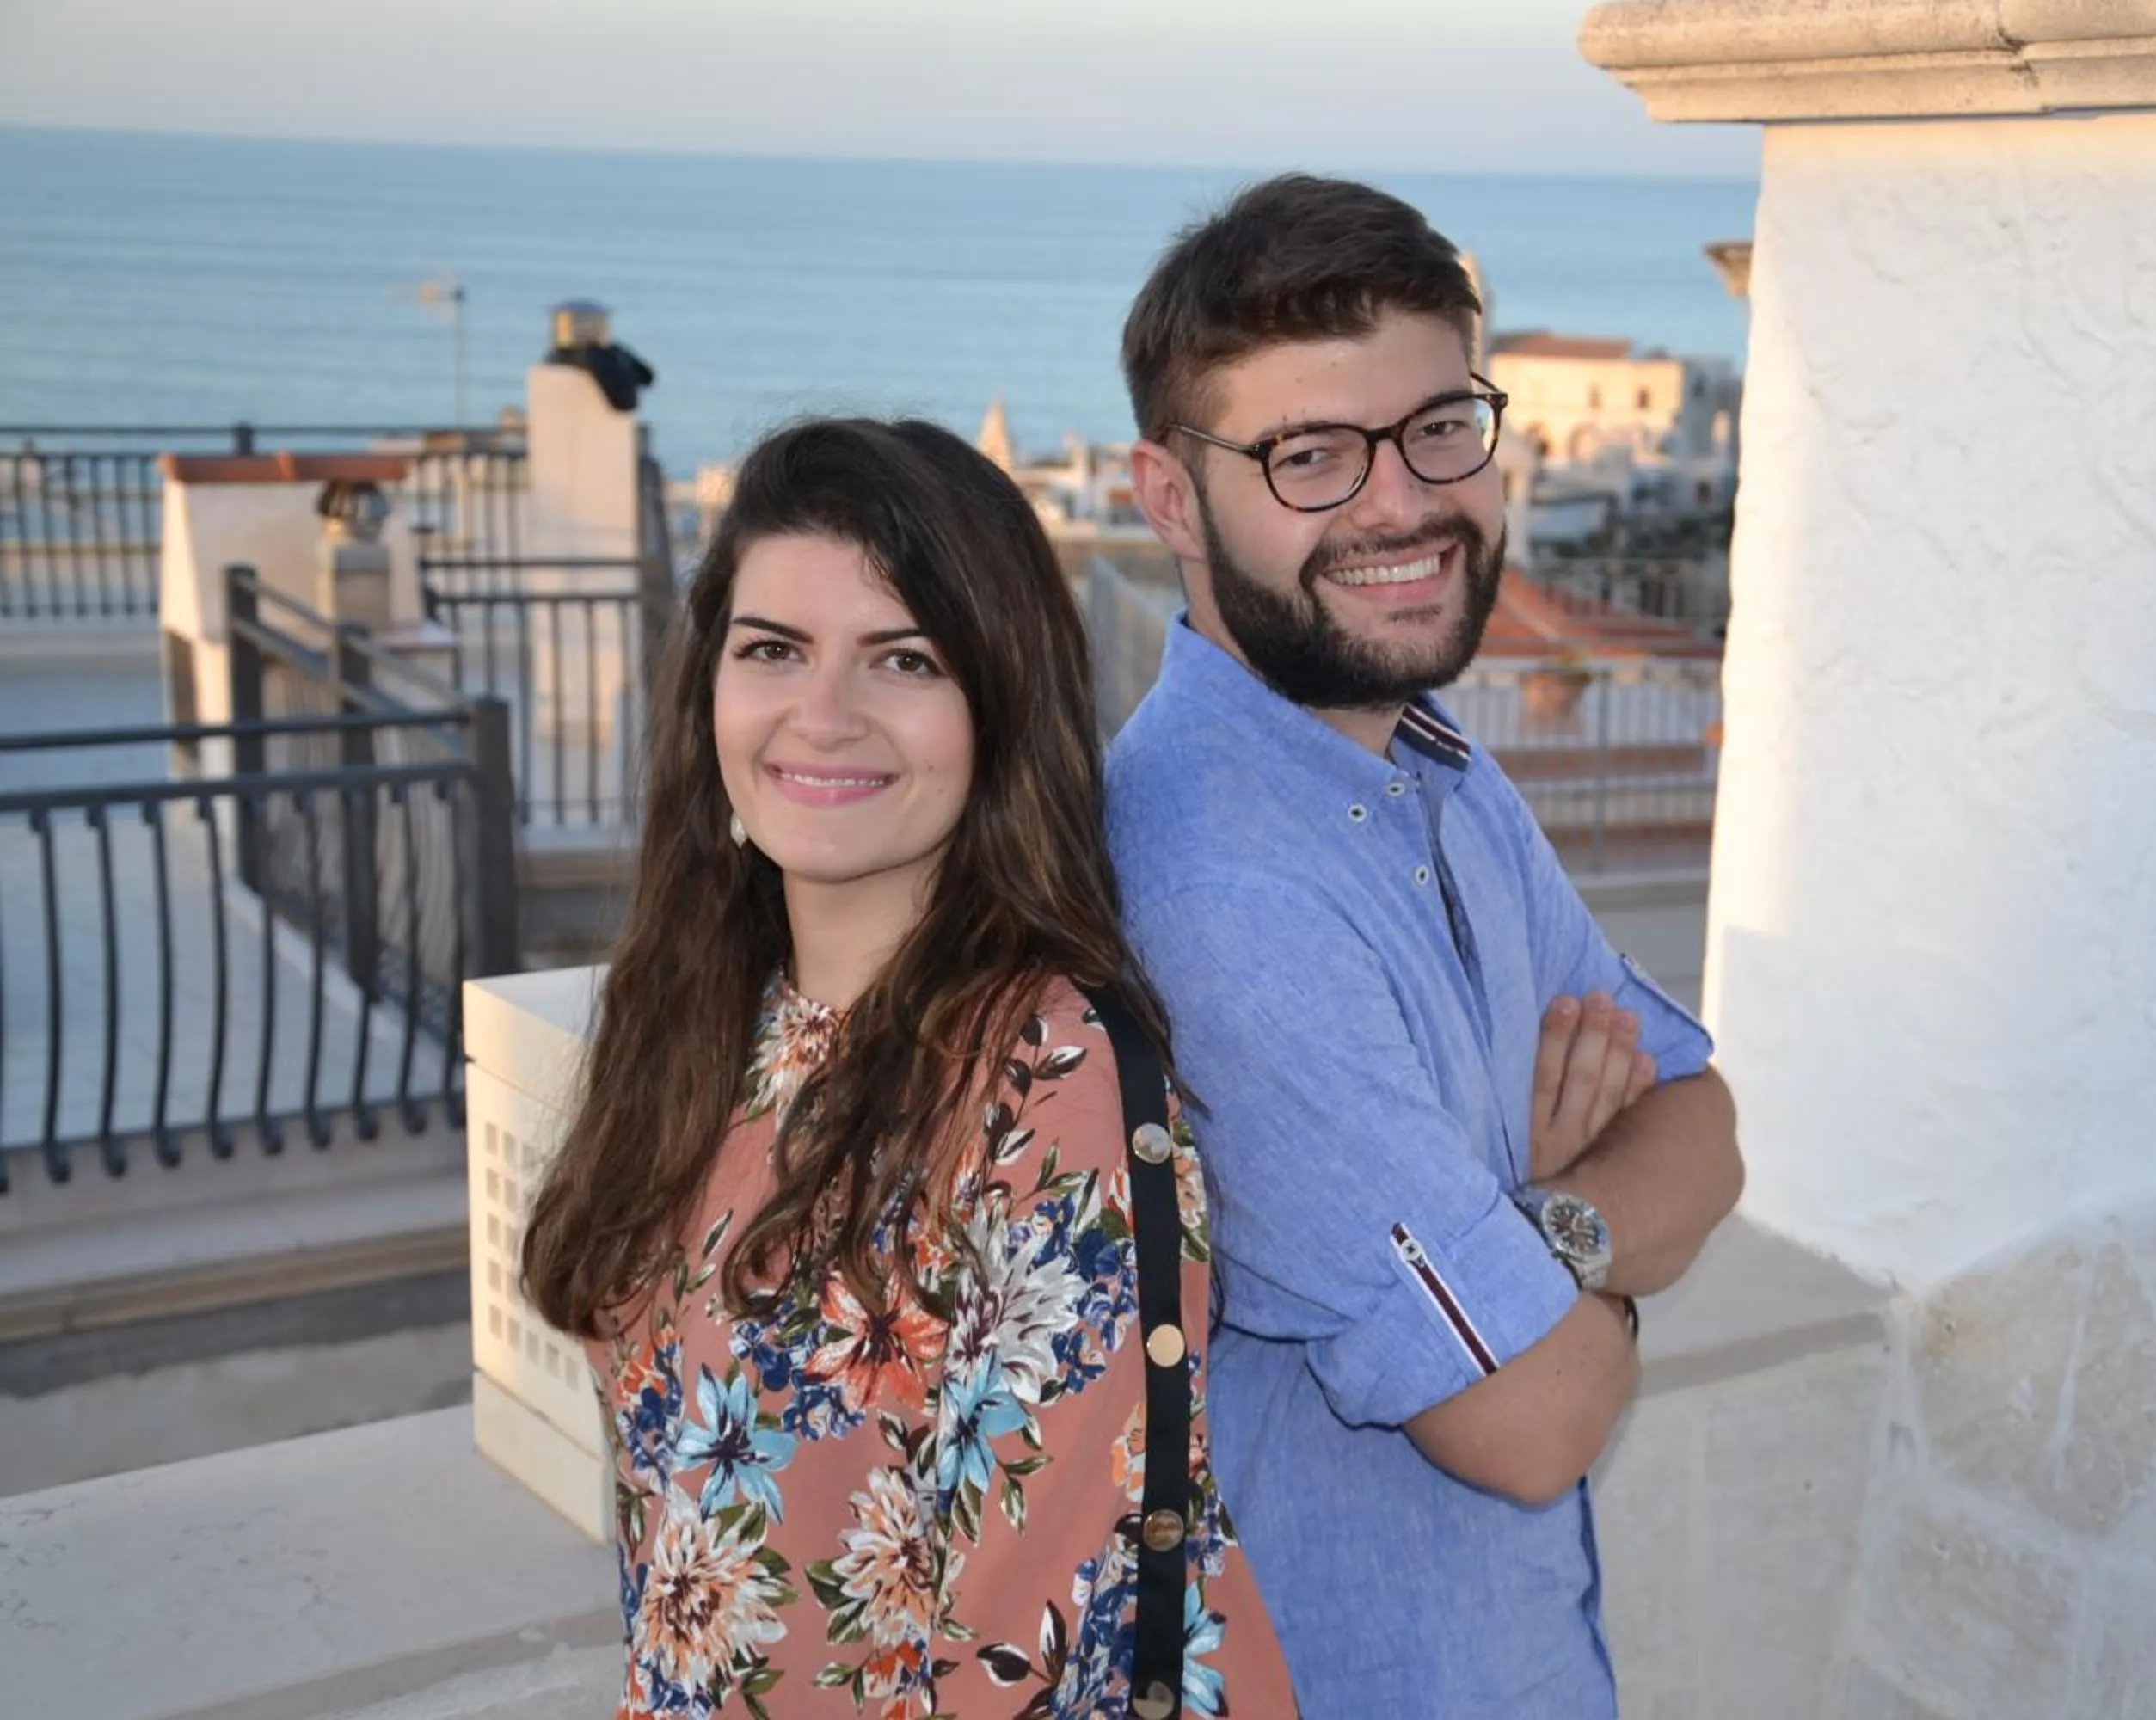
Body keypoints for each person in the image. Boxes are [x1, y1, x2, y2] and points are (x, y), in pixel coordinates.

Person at [522, 417, 1294, 1720]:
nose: (823, 716)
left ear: (998, 710)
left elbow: (1032, 1657)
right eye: (774, 650)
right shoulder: (708, 1016)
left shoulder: (1047, 1077)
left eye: (904, 660)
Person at [1106, 175, 1747, 1717]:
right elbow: (1528, 1422)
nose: (1401, 503)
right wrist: (1581, 1226)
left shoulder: (1436, 768)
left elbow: (1708, 1130)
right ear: (1172, 498)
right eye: (1309, 456)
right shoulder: (1224, 893)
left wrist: (1537, 1235)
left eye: (1439, 427)